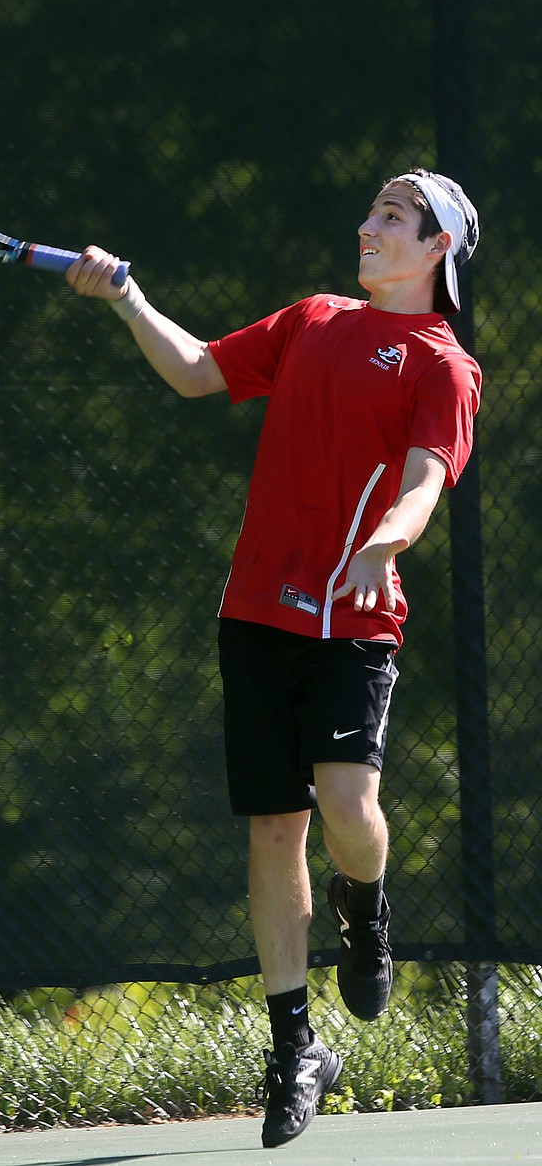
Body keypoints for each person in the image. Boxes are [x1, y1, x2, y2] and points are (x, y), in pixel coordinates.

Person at [65, 168, 481, 1149]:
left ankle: (366, 904)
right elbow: (195, 369)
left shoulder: (440, 360)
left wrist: (386, 540)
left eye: (392, 217)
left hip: (351, 615)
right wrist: (126, 293)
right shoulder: (310, 319)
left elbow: (424, 477)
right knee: (270, 830)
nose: (366, 225)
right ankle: (293, 1043)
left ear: (436, 250)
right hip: (254, 610)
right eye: (372, 210)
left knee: (347, 808)